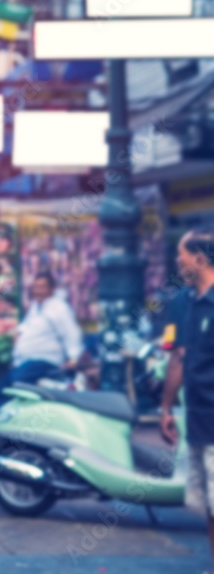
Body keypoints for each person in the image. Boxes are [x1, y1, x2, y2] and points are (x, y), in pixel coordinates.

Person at [161, 226, 214, 567]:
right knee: (208, 505)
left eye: (181, 255)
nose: (177, 261)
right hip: (198, 418)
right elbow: (178, 357)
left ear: (198, 258)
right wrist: (167, 408)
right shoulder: (189, 302)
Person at [8, 272, 83, 388]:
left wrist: (73, 359)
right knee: (4, 385)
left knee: (12, 384)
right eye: (36, 287)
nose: (38, 291)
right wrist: (19, 333)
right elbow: (27, 325)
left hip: (45, 361)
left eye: (42, 287)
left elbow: (71, 334)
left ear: (52, 289)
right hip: (26, 361)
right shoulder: (36, 306)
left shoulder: (59, 308)